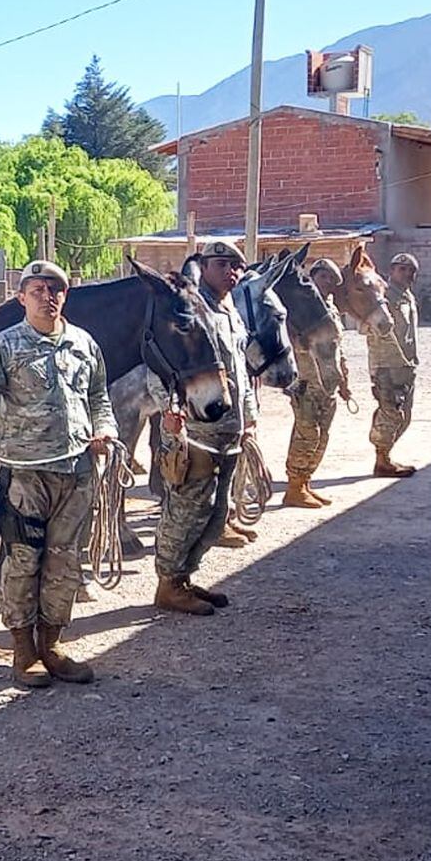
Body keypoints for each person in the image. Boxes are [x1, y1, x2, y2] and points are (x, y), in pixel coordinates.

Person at [0, 260, 117, 688]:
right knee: (23, 561)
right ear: (22, 298)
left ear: (64, 296)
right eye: (36, 289)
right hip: (24, 473)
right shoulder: (3, 346)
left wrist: (105, 429)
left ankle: (52, 644)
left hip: (75, 470)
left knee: (64, 562)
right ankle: (22, 649)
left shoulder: (84, 344)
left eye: (54, 289)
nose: (46, 296)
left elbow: (99, 398)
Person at [153, 239, 251, 616]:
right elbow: (162, 369)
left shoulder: (230, 311)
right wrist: (170, 413)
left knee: (215, 515)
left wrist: (249, 415)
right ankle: (167, 584)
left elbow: (239, 371)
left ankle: (183, 578)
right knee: (186, 509)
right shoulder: (189, 310)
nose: (231, 272)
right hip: (196, 431)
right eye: (222, 265)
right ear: (203, 267)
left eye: (236, 266)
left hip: (230, 428)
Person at [283, 258, 354, 507]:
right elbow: (286, 343)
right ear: (312, 279)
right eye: (323, 277)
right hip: (306, 383)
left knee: (322, 436)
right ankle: (293, 487)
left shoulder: (331, 311)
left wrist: (344, 380)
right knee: (306, 435)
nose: (327, 283)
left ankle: (305, 482)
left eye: (331, 280)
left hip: (329, 385)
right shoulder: (298, 311)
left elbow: (338, 349)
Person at [370, 252, 421, 477]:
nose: (407, 274)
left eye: (411, 270)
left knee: (404, 416)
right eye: (402, 269)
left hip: (406, 366)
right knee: (390, 413)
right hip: (387, 365)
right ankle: (382, 460)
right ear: (391, 272)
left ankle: (385, 455)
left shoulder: (407, 296)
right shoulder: (383, 297)